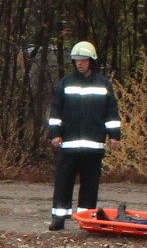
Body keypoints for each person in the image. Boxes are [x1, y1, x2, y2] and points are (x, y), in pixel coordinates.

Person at [46, 40, 122, 230]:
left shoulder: (103, 84)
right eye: (76, 60)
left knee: (90, 185)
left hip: (94, 146)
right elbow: (56, 112)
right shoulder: (66, 83)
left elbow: (112, 112)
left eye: (83, 60)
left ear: (91, 60)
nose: (79, 63)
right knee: (64, 182)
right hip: (70, 145)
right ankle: (59, 218)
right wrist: (55, 134)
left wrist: (114, 135)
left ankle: (86, 220)